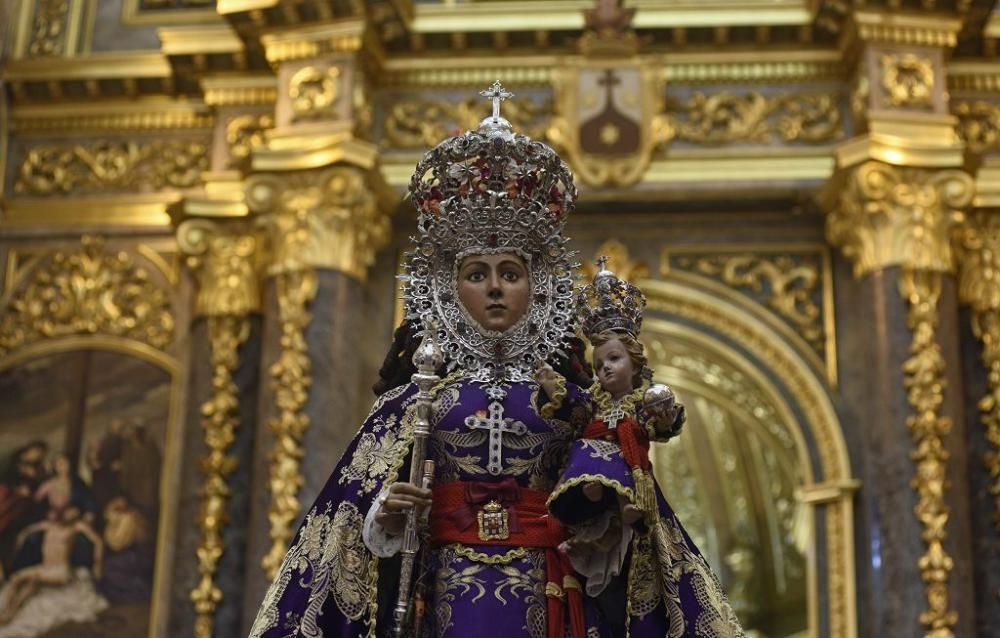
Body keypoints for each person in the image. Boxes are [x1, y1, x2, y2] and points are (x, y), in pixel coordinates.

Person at [249, 84, 745, 638]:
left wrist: (603, 518)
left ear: (537, 287)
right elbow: (348, 523)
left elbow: (621, 521)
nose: (494, 290)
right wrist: (386, 516)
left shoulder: (572, 401)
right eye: (476, 274)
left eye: (510, 273)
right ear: (448, 286)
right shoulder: (415, 399)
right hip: (440, 596)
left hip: (551, 592)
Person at [0, 505, 104, 623]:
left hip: (60, 571)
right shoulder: (48, 525)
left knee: (25, 580)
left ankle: (9, 614)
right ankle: (6, 611)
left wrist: (97, 565)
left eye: (75, 513)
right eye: (69, 512)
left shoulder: (76, 527)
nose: (70, 515)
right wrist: (19, 541)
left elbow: (98, 542)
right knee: (22, 582)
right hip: (44, 568)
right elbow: (27, 531)